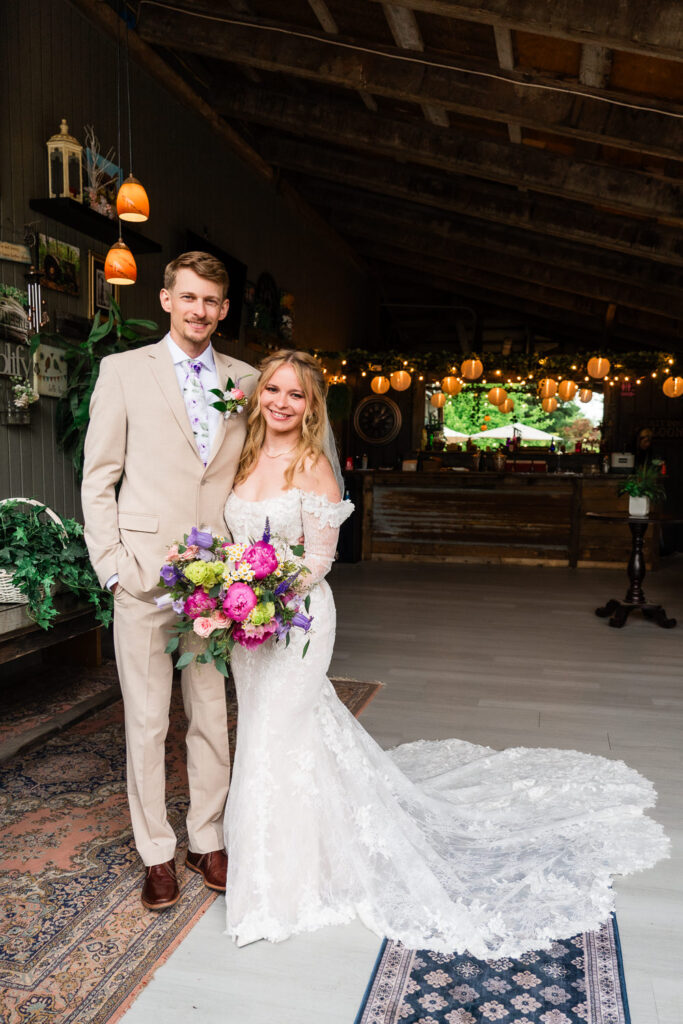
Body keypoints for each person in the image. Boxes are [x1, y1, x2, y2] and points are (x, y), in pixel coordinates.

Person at [222, 349, 669, 958]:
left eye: (295, 394)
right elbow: (231, 537)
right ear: (258, 395)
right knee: (266, 735)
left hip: (294, 620)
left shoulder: (314, 466)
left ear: (311, 405)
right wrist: (226, 588)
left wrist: (262, 590)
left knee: (280, 734)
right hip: (247, 626)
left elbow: (320, 562)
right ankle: (278, 857)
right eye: (272, 389)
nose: (280, 402)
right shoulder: (245, 454)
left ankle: (286, 884)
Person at [82, 251, 256, 910]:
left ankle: (206, 837)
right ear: (165, 300)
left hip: (217, 576)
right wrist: (112, 568)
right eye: (188, 298)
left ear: (224, 308)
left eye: (211, 302)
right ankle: (155, 851)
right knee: (148, 720)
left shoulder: (245, 380)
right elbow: (100, 475)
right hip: (143, 574)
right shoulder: (123, 371)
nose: (200, 311)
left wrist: (250, 560)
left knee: (210, 714)